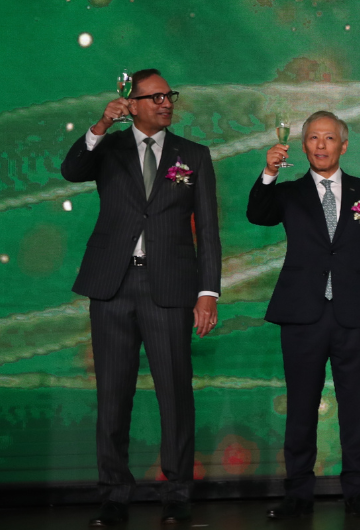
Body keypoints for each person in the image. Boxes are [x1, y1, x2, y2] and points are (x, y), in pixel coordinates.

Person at [60, 69, 220, 527]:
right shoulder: (107, 147)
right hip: (111, 286)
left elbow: (208, 231)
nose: (166, 103)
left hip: (170, 288)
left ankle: (177, 492)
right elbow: (71, 170)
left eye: (170, 96)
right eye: (156, 97)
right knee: (113, 394)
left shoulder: (194, 155)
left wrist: (208, 292)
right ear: (131, 103)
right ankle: (113, 493)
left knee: (175, 394)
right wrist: (98, 127)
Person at [247, 111, 360, 519]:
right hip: (302, 315)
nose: (321, 145)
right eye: (313, 138)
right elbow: (257, 213)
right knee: (301, 406)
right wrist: (268, 172)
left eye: (329, 138)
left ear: (343, 145)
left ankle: (357, 491)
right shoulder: (289, 192)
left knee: (356, 406)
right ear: (304, 145)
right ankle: (297, 493)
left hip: (356, 316)